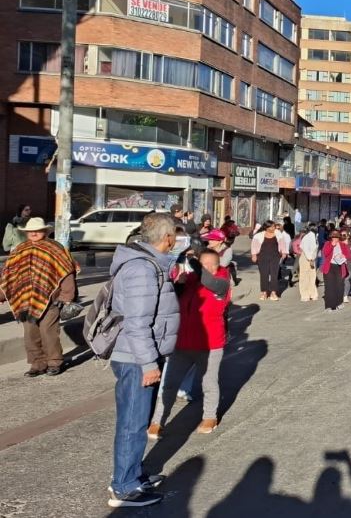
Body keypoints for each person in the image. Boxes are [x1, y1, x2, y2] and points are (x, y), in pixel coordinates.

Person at [107, 212, 181, 508]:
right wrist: (149, 364)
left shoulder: (149, 263)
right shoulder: (142, 269)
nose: (177, 239)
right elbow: (137, 323)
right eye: (175, 233)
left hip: (142, 354)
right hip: (136, 358)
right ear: (166, 238)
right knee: (133, 423)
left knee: (138, 419)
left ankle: (133, 473)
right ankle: (123, 486)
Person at [148, 249, 230, 439]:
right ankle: (156, 421)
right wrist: (178, 286)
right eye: (205, 264)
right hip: (182, 343)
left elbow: (209, 281)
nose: (209, 267)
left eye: (213, 264)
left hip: (210, 344)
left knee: (208, 383)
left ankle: (210, 417)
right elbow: (171, 302)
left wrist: (195, 264)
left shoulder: (222, 281)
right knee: (169, 384)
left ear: (219, 265)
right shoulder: (189, 279)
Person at [0, 217, 77, 377]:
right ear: (26, 233)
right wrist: (1, 295)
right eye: (30, 231)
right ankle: (37, 364)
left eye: (37, 230)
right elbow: (9, 275)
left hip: (50, 299)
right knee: (30, 335)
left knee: (48, 332)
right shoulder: (19, 250)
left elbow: (66, 272)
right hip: (25, 301)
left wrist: (67, 296)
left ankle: (54, 362)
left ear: (44, 231)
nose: (34, 233)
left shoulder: (55, 248)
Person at [250, 221, 289, 301]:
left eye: (274, 226)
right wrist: (254, 255)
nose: (273, 228)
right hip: (262, 257)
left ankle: (273, 293)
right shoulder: (258, 235)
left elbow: (282, 244)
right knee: (264, 274)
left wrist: (284, 253)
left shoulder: (278, 234)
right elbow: (254, 245)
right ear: (266, 228)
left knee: (274, 275)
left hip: (275, 257)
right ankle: (264, 292)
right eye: (271, 227)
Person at [321, 230, 351, 311]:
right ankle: (329, 305)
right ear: (331, 237)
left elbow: (349, 256)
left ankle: (339, 303)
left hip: (340, 267)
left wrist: (343, 255)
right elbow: (325, 253)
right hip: (329, 266)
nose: (335, 239)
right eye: (333, 237)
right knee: (329, 286)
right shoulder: (327, 244)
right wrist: (331, 245)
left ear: (339, 238)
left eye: (337, 237)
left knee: (339, 285)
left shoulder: (343, 245)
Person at [296, 224, 320, 302]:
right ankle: (305, 295)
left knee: (312, 276)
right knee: (304, 276)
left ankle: (312, 294)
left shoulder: (314, 236)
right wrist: (310, 259)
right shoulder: (308, 237)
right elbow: (306, 249)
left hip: (311, 258)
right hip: (306, 258)